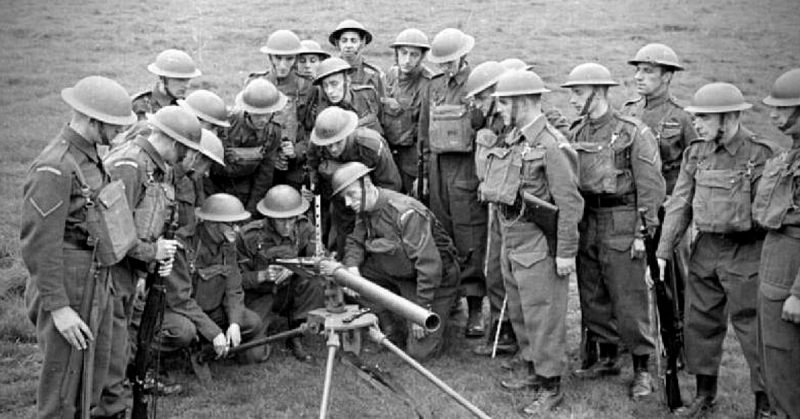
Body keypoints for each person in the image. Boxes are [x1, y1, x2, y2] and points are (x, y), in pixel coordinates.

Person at [656, 82, 777, 418]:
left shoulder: (760, 154)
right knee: (700, 323)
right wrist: (664, 251)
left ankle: (764, 404)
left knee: (754, 330)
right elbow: (680, 202)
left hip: (747, 252)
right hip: (705, 250)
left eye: (705, 118)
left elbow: (769, 211)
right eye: (696, 117)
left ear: (729, 117)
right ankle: (705, 395)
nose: (697, 124)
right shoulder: (696, 153)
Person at [20, 76, 136, 418]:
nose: (117, 134)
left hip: (91, 277)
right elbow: (39, 245)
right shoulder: (55, 166)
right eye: (113, 126)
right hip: (66, 285)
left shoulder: (88, 158)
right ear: (91, 120)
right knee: (61, 394)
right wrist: (58, 308)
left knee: (88, 383)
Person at [481, 70, 584, 413]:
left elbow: (569, 204)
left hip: (540, 245)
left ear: (522, 102)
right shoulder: (514, 139)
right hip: (513, 241)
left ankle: (551, 385)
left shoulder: (552, 145)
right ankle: (531, 368)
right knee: (522, 312)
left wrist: (566, 253)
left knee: (544, 317)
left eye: (505, 102)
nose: (499, 109)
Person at [563, 62, 666, 399]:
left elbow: (651, 188)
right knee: (592, 293)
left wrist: (642, 232)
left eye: (578, 93)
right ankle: (606, 357)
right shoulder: (576, 133)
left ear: (598, 91)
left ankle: (642, 368)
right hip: (587, 219)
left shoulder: (632, 132)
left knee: (629, 297)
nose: (573, 101)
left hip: (622, 221)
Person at [100, 105, 203, 416]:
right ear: (175, 142)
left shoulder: (157, 167)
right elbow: (112, 229)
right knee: (112, 354)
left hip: (130, 272)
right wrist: (152, 253)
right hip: (110, 273)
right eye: (187, 149)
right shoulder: (129, 165)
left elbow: (150, 219)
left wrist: (148, 267)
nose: (188, 157)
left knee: (119, 350)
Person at [331, 162, 460, 361]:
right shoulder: (365, 208)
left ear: (367, 185)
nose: (348, 203)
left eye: (351, 194)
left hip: (434, 279)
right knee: (346, 277)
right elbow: (355, 241)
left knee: (419, 353)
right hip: (399, 271)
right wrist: (353, 269)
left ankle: (445, 309)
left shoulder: (404, 212)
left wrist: (421, 310)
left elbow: (429, 266)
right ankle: (388, 324)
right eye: (344, 198)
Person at [621, 44, 696, 332]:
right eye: (638, 70)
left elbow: (696, 165)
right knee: (637, 274)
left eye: (648, 71)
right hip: (637, 208)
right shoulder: (628, 112)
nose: (639, 77)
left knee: (676, 276)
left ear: (667, 77)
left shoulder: (683, 118)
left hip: (670, 210)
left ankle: (682, 335)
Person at [426, 28, 488, 339]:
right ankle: (451, 299)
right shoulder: (434, 86)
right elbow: (427, 134)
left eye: (451, 61)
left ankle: (476, 305)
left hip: (466, 171)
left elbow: (488, 133)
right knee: (442, 235)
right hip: (438, 171)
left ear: (463, 56)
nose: (447, 67)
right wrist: (425, 178)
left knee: (470, 237)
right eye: (442, 62)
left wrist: (484, 176)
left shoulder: (478, 83)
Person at [157, 193, 266, 362]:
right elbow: (180, 300)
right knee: (184, 331)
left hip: (211, 310)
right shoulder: (183, 245)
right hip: (180, 312)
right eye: (231, 224)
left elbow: (234, 288)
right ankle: (169, 357)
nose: (237, 230)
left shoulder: (228, 243)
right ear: (212, 224)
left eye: (238, 224)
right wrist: (213, 332)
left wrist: (234, 323)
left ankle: (207, 347)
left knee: (251, 322)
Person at [754, 68, 800, 419]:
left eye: (783, 109)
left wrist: (799, 293)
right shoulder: (789, 155)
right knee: (775, 360)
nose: (773, 115)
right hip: (774, 271)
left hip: (790, 277)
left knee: (786, 367)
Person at [237, 185, 326, 362]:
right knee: (251, 356)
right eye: (281, 220)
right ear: (270, 217)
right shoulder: (248, 237)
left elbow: (316, 260)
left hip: (290, 290)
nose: (287, 225)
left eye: (291, 219)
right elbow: (235, 281)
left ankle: (296, 331)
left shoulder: (304, 227)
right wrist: (262, 275)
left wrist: (293, 268)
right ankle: (263, 329)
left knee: (315, 281)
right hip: (260, 295)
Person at [465, 60, 518, 356]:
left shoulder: (513, 123)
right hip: (496, 206)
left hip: (515, 209)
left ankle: (514, 332)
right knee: (495, 269)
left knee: (510, 271)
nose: (478, 104)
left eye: (482, 97)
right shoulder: (490, 122)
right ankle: (501, 328)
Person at [306, 106, 401, 255]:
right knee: (344, 236)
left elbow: (391, 184)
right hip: (340, 198)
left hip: (370, 196)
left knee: (374, 238)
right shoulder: (318, 142)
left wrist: (374, 207)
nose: (333, 149)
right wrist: (313, 183)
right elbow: (312, 163)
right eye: (328, 145)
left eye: (338, 142)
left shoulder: (371, 145)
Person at [206, 78, 286, 213]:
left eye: (267, 114)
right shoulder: (225, 123)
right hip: (216, 185)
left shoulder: (273, 133)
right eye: (258, 115)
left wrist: (252, 211)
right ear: (248, 110)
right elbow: (205, 166)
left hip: (247, 187)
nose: (263, 120)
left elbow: (264, 176)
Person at [248, 29, 314, 189]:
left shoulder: (307, 86)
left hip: (294, 165)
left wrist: (296, 151)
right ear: (270, 57)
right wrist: (269, 153)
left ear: (296, 58)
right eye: (278, 58)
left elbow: (312, 130)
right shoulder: (255, 83)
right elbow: (247, 126)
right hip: (261, 162)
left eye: (289, 59)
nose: (283, 65)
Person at [382, 28, 437, 194]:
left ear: (422, 57)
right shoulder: (390, 76)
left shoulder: (428, 83)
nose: (407, 60)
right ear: (396, 54)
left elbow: (427, 132)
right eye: (403, 53)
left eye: (414, 55)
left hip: (414, 159)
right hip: (390, 156)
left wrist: (424, 174)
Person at [303, 56, 383, 135]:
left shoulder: (368, 94)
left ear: (347, 81)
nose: (329, 91)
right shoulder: (323, 113)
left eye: (334, 84)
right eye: (325, 86)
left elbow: (384, 124)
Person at [131, 49, 201, 121]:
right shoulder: (140, 106)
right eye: (180, 80)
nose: (186, 86)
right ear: (162, 78)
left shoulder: (186, 106)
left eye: (188, 80)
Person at [328, 19, 385, 96]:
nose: (348, 45)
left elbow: (382, 103)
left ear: (362, 43)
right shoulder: (329, 72)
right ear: (338, 43)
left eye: (353, 41)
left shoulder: (374, 74)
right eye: (344, 41)